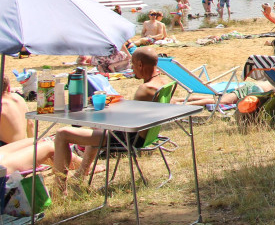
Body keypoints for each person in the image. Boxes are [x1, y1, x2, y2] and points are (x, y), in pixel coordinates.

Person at [52, 47, 167, 190]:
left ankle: (59, 189)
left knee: (62, 134)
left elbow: (127, 121)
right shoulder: (161, 84)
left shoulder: (144, 89)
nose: (131, 68)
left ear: (140, 65)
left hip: (129, 139)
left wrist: (102, 111)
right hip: (145, 136)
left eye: (132, 64)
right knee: (97, 129)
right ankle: (81, 173)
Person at [1, 71, 29, 145]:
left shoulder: (2, 105)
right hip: (22, 146)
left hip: (7, 150)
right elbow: (30, 125)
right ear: (9, 87)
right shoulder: (19, 98)